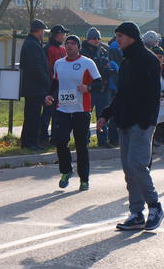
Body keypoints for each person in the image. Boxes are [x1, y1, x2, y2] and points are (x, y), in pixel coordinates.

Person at [98, 22, 163, 231]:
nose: (117, 40)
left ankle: (155, 206)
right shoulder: (126, 61)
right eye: (117, 36)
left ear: (132, 37)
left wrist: (147, 121)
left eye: (120, 36)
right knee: (129, 169)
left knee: (137, 165)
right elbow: (121, 94)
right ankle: (136, 214)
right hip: (124, 121)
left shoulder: (149, 60)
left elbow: (153, 94)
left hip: (141, 123)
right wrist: (106, 114)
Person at [45, 35, 101, 191]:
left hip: (81, 110)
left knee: (81, 145)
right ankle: (66, 171)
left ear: (78, 47)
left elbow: (99, 83)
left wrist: (88, 88)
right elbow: (55, 83)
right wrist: (49, 95)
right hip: (62, 109)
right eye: (67, 43)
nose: (69, 46)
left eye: (73, 43)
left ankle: (84, 179)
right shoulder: (59, 63)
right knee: (60, 141)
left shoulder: (87, 63)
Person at [19, 19, 50, 150]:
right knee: (34, 116)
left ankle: (27, 141)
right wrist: (46, 81)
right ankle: (31, 142)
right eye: (43, 31)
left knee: (31, 115)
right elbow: (36, 67)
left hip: (32, 87)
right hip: (34, 87)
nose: (44, 34)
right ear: (38, 31)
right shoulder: (33, 44)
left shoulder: (31, 42)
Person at [81, 27, 114, 148]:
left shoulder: (104, 51)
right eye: (93, 38)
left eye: (98, 38)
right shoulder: (83, 52)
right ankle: (84, 140)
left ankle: (103, 140)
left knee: (103, 115)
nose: (96, 40)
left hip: (103, 88)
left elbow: (107, 65)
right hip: (90, 88)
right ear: (88, 39)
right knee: (86, 116)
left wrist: (109, 71)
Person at [40, 25, 69, 145]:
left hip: (60, 86)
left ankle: (55, 138)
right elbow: (47, 68)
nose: (64, 36)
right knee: (47, 113)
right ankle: (43, 138)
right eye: (63, 34)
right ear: (57, 34)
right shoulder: (48, 48)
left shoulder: (62, 49)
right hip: (51, 85)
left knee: (58, 113)